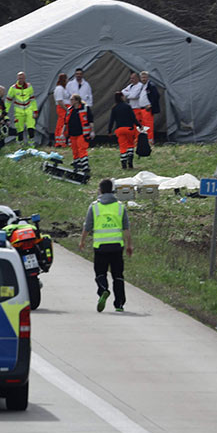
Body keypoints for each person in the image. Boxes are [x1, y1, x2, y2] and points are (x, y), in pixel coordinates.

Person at [79, 178, 133, 312]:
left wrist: (82, 241)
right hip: (116, 246)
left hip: (100, 247)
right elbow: (126, 229)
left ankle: (103, 289)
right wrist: (129, 245)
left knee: (100, 273)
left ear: (101, 190)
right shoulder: (120, 207)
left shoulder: (94, 206)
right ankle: (119, 304)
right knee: (118, 275)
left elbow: (88, 226)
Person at [122, 71, 154, 146]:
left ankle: (141, 141)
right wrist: (129, 94)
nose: (131, 80)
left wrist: (127, 95)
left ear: (137, 78)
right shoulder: (130, 86)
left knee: (139, 126)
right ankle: (134, 141)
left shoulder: (140, 86)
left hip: (137, 109)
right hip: (131, 109)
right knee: (132, 126)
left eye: (133, 78)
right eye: (131, 78)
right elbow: (122, 92)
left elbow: (134, 96)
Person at [108, 91, 138, 170]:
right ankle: (130, 163)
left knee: (123, 147)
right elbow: (133, 118)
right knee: (130, 145)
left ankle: (123, 164)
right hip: (129, 129)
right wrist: (139, 125)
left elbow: (111, 120)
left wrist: (109, 131)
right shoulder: (127, 106)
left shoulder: (114, 108)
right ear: (121, 97)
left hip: (119, 129)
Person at [6, 71, 37, 146]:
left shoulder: (29, 87)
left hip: (29, 109)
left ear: (25, 78)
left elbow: (32, 99)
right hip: (18, 111)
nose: (21, 79)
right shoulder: (13, 88)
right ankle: (20, 145)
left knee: (31, 127)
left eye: (22, 78)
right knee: (20, 129)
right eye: (19, 78)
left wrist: (35, 111)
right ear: (17, 78)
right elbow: (8, 101)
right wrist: (5, 113)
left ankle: (31, 144)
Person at [65, 93, 93, 174]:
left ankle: (85, 166)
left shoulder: (85, 108)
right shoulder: (70, 110)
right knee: (75, 150)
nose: (70, 101)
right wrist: (64, 132)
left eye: (72, 99)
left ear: (77, 101)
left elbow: (90, 120)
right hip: (72, 133)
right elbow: (65, 122)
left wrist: (92, 131)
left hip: (82, 133)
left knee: (82, 148)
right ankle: (77, 165)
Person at [140, 70, 160, 144]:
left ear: (148, 77)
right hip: (141, 109)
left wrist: (150, 105)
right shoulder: (142, 86)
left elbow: (156, 96)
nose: (143, 79)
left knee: (148, 125)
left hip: (147, 109)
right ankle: (144, 140)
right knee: (142, 126)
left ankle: (150, 141)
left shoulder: (151, 85)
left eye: (145, 77)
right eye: (142, 77)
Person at [53, 73, 70, 148]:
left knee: (65, 125)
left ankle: (63, 141)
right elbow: (59, 101)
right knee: (62, 125)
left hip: (65, 108)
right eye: (66, 79)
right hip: (62, 108)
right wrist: (67, 109)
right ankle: (60, 142)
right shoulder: (59, 89)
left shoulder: (63, 88)